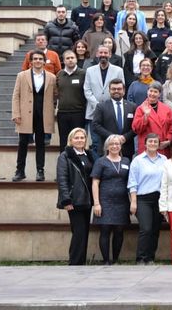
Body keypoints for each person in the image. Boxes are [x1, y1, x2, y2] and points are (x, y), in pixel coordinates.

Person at [12, 49, 56, 181]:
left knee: (41, 143)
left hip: (43, 114)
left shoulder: (52, 77)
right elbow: (16, 95)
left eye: (40, 59)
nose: (38, 61)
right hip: (25, 114)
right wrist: (16, 113)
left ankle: (40, 171)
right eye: (35, 59)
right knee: (23, 142)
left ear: (44, 61)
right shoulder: (22, 75)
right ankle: (20, 171)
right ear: (30, 62)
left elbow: (55, 96)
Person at [91, 135, 131, 265]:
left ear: (120, 146)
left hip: (122, 201)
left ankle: (115, 259)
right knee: (105, 229)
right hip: (105, 201)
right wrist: (96, 203)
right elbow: (95, 182)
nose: (115, 146)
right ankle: (106, 260)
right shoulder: (101, 161)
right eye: (112, 144)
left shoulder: (126, 161)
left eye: (117, 144)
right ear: (107, 146)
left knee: (119, 230)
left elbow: (130, 182)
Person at [128, 133, 167, 264]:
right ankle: (141, 258)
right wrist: (133, 202)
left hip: (159, 198)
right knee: (146, 228)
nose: (152, 144)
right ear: (145, 144)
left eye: (155, 142)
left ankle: (150, 257)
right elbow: (132, 183)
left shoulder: (164, 160)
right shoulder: (137, 160)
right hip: (142, 198)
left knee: (155, 229)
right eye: (150, 141)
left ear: (158, 144)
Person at [56, 128, 93, 265]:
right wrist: (66, 199)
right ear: (71, 140)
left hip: (87, 200)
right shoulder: (65, 156)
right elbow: (62, 179)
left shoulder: (89, 155)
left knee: (85, 232)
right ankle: (74, 262)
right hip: (74, 200)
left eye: (82, 137)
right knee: (78, 232)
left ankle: (81, 262)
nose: (79, 140)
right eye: (76, 138)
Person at [83, 45, 125, 144]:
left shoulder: (118, 70)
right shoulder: (90, 70)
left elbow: (121, 89)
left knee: (111, 142)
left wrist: (108, 106)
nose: (103, 55)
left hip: (112, 111)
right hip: (93, 111)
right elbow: (87, 90)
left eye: (105, 53)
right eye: (101, 53)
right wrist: (97, 105)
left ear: (110, 54)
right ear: (97, 54)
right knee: (95, 143)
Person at [91, 79, 137, 159]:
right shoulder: (101, 106)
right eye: (113, 89)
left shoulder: (132, 106)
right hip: (107, 149)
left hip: (126, 149)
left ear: (124, 90)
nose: (116, 91)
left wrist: (125, 137)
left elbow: (136, 127)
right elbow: (95, 125)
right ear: (109, 90)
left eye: (119, 89)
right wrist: (112, 137)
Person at [131, 82, 172, 158]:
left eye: (155, 92)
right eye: (151, 91)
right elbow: (136, 129)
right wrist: (146, 116)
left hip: (162, 147)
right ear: (147, 92)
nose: (152, 94)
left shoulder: (167, 109)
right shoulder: (140, 108)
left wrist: (168, 141)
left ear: (159, 94)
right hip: (147, 148)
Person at [55, 50, 87, 152]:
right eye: (67, 58)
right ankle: (64, 164)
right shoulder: (59, 74)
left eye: (72, 58)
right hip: (62, 113)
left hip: (78, 112)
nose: (70, 60)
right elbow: (56, 92)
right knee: (64, 141)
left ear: (76, 59)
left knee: (78, 141)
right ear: (63, 61)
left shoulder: (83, 73)